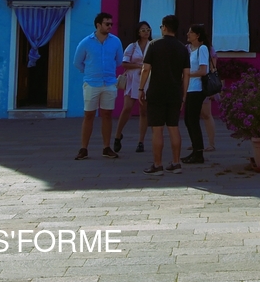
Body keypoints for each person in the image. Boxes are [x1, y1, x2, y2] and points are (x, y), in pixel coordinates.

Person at [139, 14, 190, 175]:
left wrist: (140, 88)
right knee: (174, 128)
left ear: (165, 27)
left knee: (157, 129)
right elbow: (186, 74)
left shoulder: (154, 45)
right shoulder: (183, 48)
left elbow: (146, 69)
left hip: (156, 92)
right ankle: (176, 163)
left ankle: (157, 164)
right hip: (175, 92)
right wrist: (184, 95)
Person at [72, 11, 124, 160]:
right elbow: (77, 62)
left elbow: (119, 61)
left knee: (107, 115)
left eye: (111, 24)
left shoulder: (116, 41)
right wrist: (90, 72)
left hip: (109, 83)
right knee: (89, 115)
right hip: (91, 83)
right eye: (107, 24)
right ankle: (83, 148)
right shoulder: (85, 42)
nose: (110, 26)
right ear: (98, 25)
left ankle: (106, 147)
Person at [114, 21, 153, 154]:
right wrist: (139, 66)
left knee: (144, 111)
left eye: (148, 30)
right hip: (132, 79)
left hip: (146, 80)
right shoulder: (132, 46)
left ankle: (141, 141)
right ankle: (118, 135)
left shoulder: (152, 46)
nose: (146, 32)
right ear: (138, 32)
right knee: (127, 108)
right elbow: (124, 63)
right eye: (143, 30)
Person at [183, 23, 218, 164]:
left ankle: (198, 153)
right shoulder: (190, 50)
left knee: (192, 120)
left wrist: (187, 75)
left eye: (190, 32)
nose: (188, 34)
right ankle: (195, 149)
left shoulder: (202, 49)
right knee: (188, 120)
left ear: (197, 35)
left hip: (197, 89)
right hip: (190, 88)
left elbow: (204, 71)